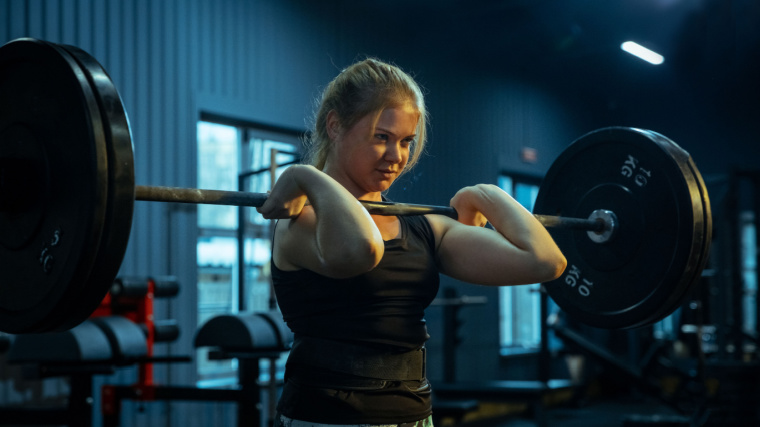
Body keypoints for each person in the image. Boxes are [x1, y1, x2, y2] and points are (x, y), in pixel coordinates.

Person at [256, 58, 567, 426]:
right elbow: (362, 250)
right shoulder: (301, 220)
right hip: (327, 417)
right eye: (381, 137)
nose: (396, 157)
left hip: (415, 415)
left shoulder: (423, 226)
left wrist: (484, 194)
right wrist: (306, 176)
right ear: (335, 125)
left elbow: (545, 261)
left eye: (406, 141)